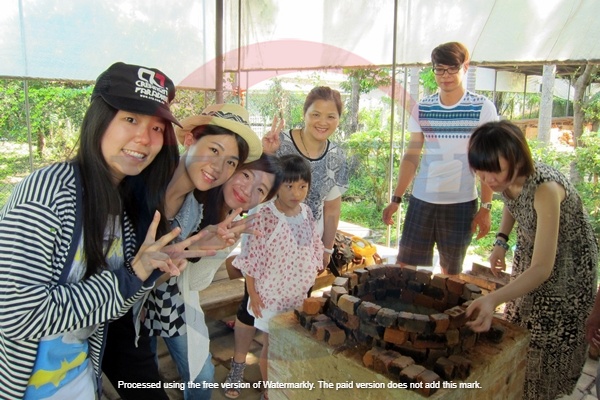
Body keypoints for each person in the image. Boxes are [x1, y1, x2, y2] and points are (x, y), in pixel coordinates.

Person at [0, 62, 213, 399]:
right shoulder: (47, 192)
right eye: (131, 119)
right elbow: (17, 314)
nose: (145, 138)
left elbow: (113, 306)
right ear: (99, 119)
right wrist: (131, 275)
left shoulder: (121, 204)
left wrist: (150, 271)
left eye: (158, 127)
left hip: (81, 380)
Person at [102, 103, 262, 400]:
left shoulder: (193, 213)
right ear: (189, 140)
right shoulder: (135, 182)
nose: (219, 168)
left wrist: (191, 253)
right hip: (93, 321)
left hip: (136, 316)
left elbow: (150, 282)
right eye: (214, 150)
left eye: (230, 162)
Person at [464, 120, 598, 399]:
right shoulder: (506, 180)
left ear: (516, 159)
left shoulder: (545, 189)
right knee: (520, 323)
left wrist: (492, 299)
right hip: (534, 250)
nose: (489, 181)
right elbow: (512, 201)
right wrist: (501, 240)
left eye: (495, 171)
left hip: (567, 268)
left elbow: (542, 268)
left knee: (546, 340)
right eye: (481, 173)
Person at [148, 153, 284, 400]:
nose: (247, 189)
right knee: (144, 371)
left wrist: (215, 248)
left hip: (172, 299)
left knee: (202, 377)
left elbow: (195, 282)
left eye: (261, 189)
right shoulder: (195, 195)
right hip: (136, 298)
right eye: (245, 174)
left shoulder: (230, 225)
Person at [381, 41, 498, 275]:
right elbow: (412, 154)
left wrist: (486, 207)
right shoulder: (423, 107)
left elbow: (488, 160)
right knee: (405, 267)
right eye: (439, 69)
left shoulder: (482, 107)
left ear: (466, 66)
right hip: (422, 200)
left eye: (452, 68)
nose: (445, 76)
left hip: (461, 203)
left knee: (450, 273)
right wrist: (396, 198)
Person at [225, 154, 323, 400]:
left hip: (297, 293)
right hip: (271, 295)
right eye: (289, 186)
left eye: (302, 186)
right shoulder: (265, 215)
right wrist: (254, 294)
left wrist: (315, 265)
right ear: (277, 186)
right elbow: (251, 258)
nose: (296, 193)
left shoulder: (307, 212)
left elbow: (313, 243)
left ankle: (284, 384)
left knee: (289, 342)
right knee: (272, 344)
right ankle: (269, 391)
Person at [262, 86, 350, 270]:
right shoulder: (279, 143)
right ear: (305, 114)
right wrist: (267, 154)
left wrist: (326, 250)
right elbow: (258, 191)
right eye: (316, 114)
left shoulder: (337, 157)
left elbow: (332, 210)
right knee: (258, 298)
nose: (323, 122)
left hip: (307, 251)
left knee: (302, 299)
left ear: (338, 120)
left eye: (331, 116)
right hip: (268, 245)